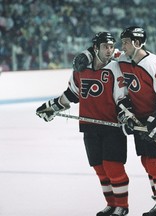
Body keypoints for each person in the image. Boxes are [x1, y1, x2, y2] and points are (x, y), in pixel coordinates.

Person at [73, 26, 156, 216]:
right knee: (147, 161)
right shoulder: (123, 58)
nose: (122, 46)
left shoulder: (154, 63)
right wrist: (87, 54)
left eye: (126, 42)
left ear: (137, 43)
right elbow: (103, 53)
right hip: (139, 117)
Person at [36, 32, 129, 216]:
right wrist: (52, 107)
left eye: (111, 46)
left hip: (112, 127)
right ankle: (111, 204)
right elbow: (72, 94)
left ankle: (122, 207)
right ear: (96, 48)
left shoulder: (116, 66)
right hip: (89, 126)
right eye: (105, 46)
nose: (109, 50)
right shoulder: (82, 68)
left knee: (114, 167)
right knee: (100, 169)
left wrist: (126, 116)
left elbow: (122, 98)